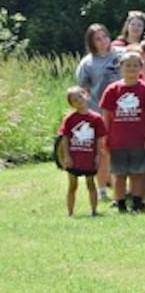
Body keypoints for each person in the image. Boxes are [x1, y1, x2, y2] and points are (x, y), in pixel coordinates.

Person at [99, 51, 145, 212]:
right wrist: (104, 138)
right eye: (127, 65)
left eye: (135, 65)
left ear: (141, 68)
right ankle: (120, 203)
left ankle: (137, 202)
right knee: (119, 174)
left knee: (138, 173)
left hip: (139, 139)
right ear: (120, 67)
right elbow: (106, 115)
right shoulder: (113, 89)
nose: (131, 68)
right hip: (117, 140)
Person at [76, 24, 122, 200]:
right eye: (98, 39)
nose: (103, 41)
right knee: (102, 151)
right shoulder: (87, 64)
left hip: (123, 111)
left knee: (120, 150)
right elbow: (82, 89)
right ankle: (102, 188)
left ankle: (122, 186)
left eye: (105, 37)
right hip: (98, 111)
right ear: (91, 42)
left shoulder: (120, 55)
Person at [57, 87, 105, 217]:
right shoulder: (69, 119)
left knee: (91, 183)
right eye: (74, 100)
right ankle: (70, 212)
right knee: (72, 185)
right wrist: (66, 156)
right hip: (74, 157)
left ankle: (94, 211)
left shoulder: (96, 118)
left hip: (89, 157)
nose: (79, 101)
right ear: (71, 104)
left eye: (80, 96)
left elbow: (99, 140)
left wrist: (98, 156)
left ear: (87, 96)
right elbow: (65, 138)